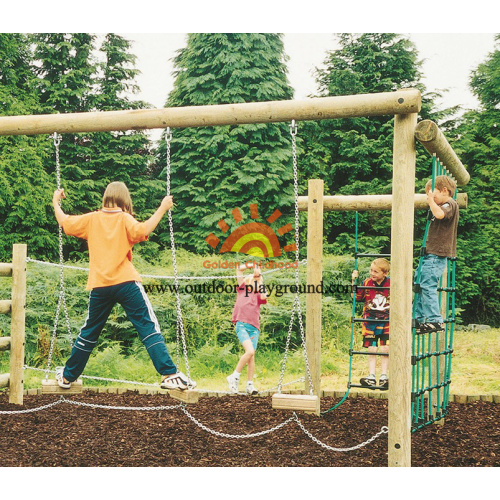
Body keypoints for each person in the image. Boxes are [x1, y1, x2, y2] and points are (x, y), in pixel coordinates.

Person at [51, 181, 196, 391]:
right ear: (125, 199)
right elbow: (144, 229)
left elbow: (64, 222)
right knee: (147, 326)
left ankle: (66, 377)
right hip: (126, 282)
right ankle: (169, 374)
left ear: (105, 198)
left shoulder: (91, 219)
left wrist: (56, 202)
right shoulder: (124, 218)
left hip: (100, 286)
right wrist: (163, 207)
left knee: (90, 331)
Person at [414, 175, 459, 333]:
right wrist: (432, 200)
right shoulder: (442, 203)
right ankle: (418, 319)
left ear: (444, 191)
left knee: (427, 285)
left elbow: (440, 214)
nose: (429, 198)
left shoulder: (450, 204)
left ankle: (435, 320)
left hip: (436, 254)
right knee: (418, 284)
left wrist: (431, 202)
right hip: (429, 253)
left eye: (432, 194)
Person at [226, 263, 268, 395]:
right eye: (254, 281)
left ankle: (250, 384)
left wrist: (259, 278)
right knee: (249, 351)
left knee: (251, 356)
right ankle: (234, 376)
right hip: (242, 325)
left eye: (258, 282)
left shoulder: (258, 295)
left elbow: (264, 296)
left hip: (254, 328)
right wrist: (253, 266)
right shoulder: (242, 289)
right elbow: (238, 268)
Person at [352, 258, 390, 389]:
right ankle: (372, 376)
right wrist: (354, 281)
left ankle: (384, 376)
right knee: (372, 348)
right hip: (369, 321)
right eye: (371, 270)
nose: (372, 273)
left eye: (376, 272)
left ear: (384, 273)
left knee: (385, 348)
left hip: (387, 320)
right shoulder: (367, 282)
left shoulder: (391, 283)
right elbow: (356, 297)